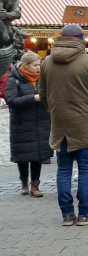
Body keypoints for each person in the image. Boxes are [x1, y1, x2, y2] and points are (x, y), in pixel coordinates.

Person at [38, 23, 88, 226]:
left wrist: (54, 111)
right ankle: (85, 213)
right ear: (81, 39)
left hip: (60, 123)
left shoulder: (47, 62)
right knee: (86, 170)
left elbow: (43, 94)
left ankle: (67, 215)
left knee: (63, 170)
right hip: (86, 123)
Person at [5, 51, 52, 197]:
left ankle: (35, 185)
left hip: (42, 121)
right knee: (23, 155)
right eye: (35, 65)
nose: (38, 68)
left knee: (39, 154)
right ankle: (24, 183)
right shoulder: (15, 80)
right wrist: (33, 98)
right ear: (25, 65)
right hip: (22, 123)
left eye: (39, 65)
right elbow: (11, 100)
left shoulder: (43, 79)